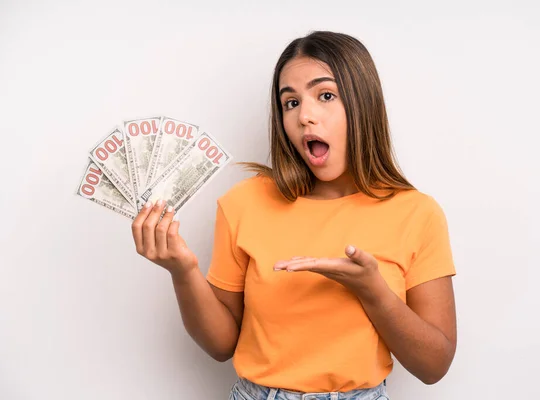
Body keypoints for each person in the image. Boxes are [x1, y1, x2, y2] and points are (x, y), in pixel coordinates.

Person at [131, 31, 457, 400]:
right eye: (290, 102)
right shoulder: (244, 202)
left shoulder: (417, 213)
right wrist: (183, 270)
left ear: (364, 103)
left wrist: (373, 291)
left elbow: (434, 366)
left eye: (326, 96)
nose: (304, 116)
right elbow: (221, 345)